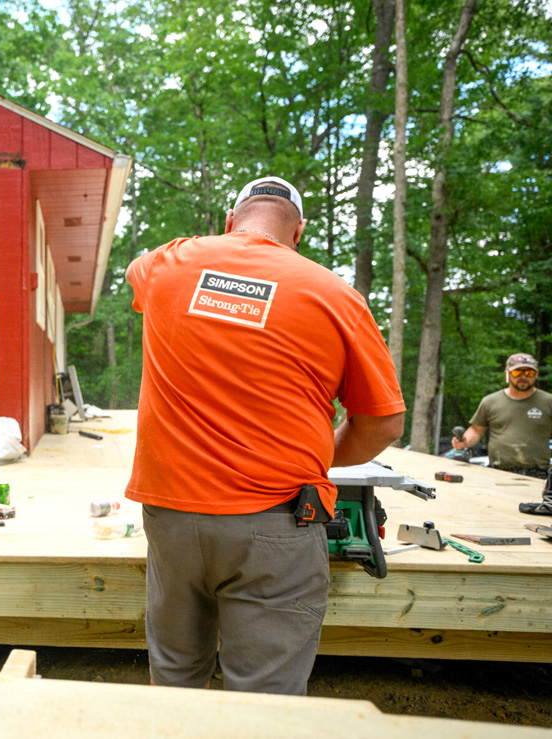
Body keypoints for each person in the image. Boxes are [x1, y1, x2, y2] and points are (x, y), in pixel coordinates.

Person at [124, 175, 405, 696]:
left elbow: (134, 275)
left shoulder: (169, 262)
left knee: (173, 683)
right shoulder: (335, 295)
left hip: (172, 519)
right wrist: (319, 459)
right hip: (275, 523)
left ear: (231, 221)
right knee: (265, 702)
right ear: (298, 232)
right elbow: (383, 422)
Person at [451, 352, 552, 514]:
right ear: (507, 374)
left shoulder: (548, 402)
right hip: (498, 475)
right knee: (495, 515)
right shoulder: (491, 402)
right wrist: (464, 442)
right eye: (518, 372)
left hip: (538, 476)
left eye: (529, 372)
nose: (523, 377)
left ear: (536, 374)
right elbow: (476, 430)